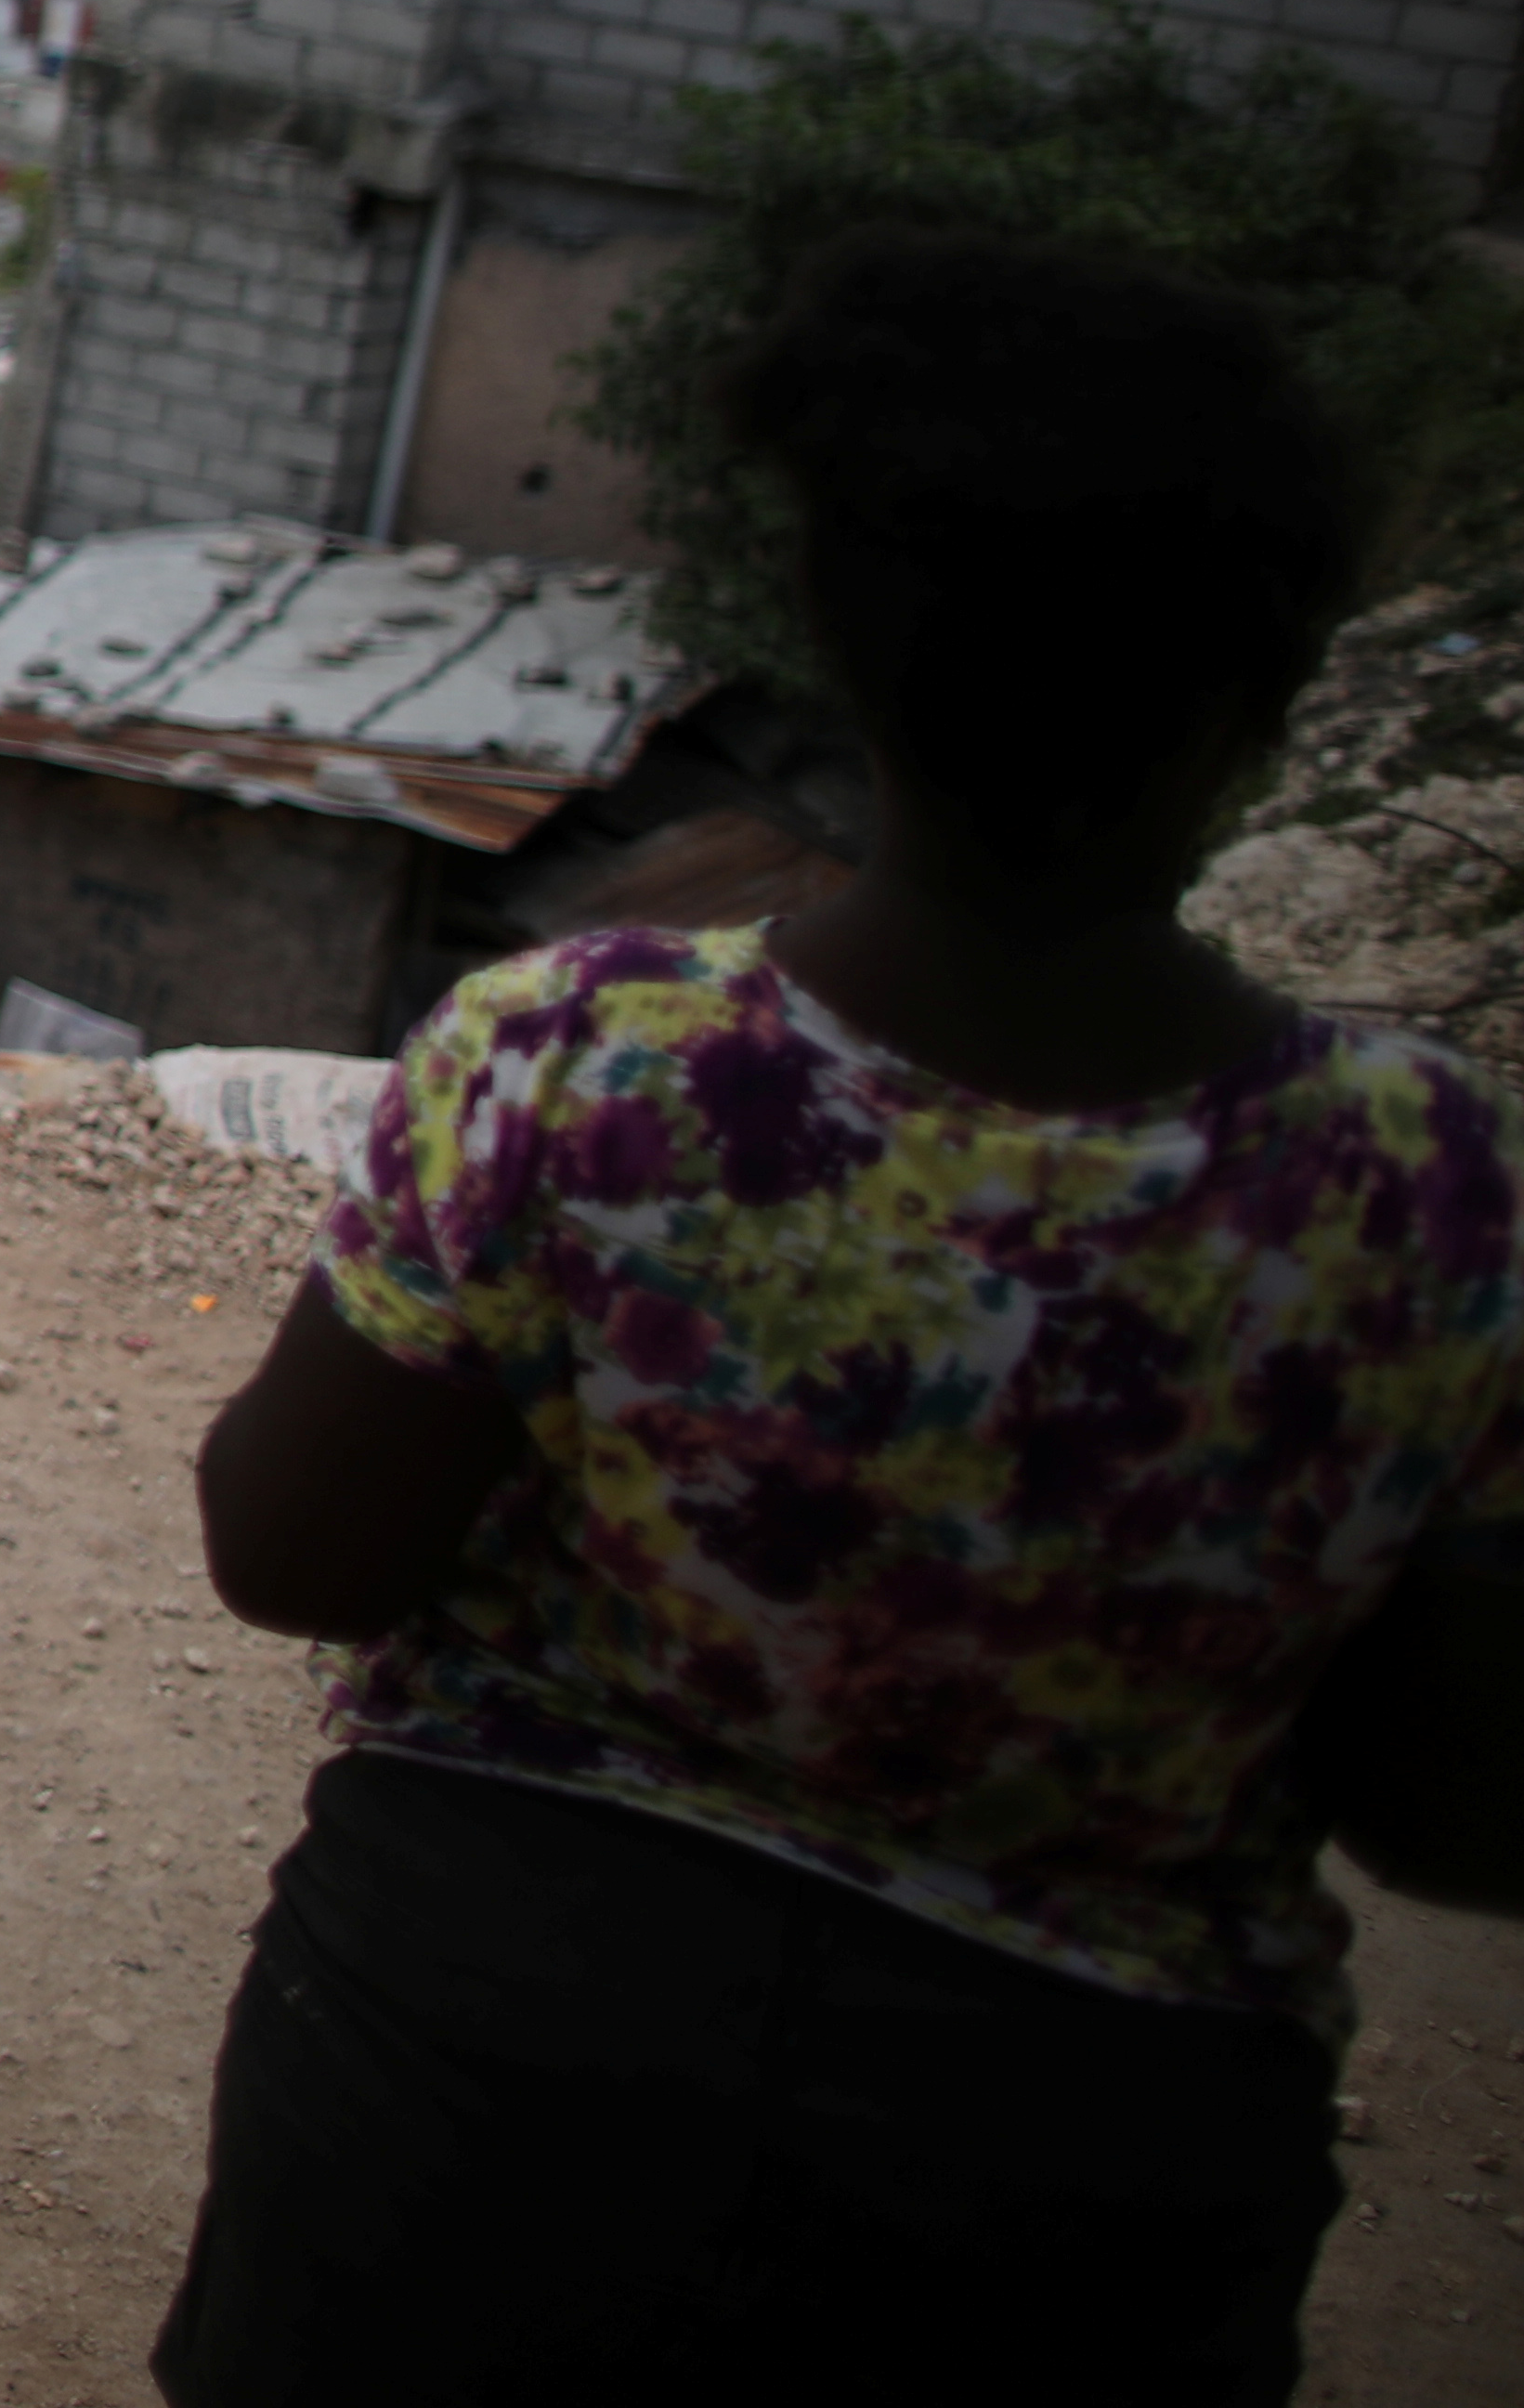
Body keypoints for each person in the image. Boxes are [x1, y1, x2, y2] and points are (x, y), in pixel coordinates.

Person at [157, 233, 1524, 2403]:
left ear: (847, 652)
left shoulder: (584, 1060)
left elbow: (293, 1548)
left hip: (484, 2075)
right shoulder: (1428, 1187)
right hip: (1080, 2170)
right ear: (1265, 700)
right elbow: (1462, 1809)